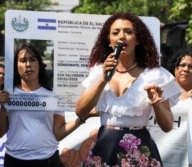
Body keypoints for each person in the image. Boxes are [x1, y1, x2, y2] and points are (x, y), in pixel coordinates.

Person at [75, 13, 181, 167]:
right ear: (109, 40)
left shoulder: (155, 74)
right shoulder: (99, 71)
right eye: (115, 32)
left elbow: (168, 126)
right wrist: (103, 80)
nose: (122, 37)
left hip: (138, 152)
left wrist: (157, 104)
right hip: (104, 149)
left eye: (128, 32)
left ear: (138, 40)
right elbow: (80, 111)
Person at [0, 44, 87, 167]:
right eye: (22, 60)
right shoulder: (8, 95)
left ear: (39, 64)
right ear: (16, 66)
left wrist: (82, 118)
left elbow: (58, 133)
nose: (28, 65)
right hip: (15, 160)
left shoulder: (53, 95)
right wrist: (3, 108)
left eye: (32, 59)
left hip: (47, 160)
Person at [148, 49, 192, 167]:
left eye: (191, 66)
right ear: (174, 67)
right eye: (181, 65)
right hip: (158, 157)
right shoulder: (159, 92)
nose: (186, 69)